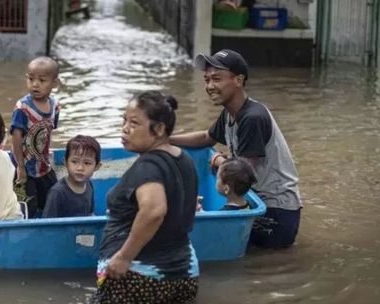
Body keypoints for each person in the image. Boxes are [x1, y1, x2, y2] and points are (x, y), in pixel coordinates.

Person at [170, 49, 302, 249]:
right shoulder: (231, 113)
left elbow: (241, 175)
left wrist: (219, 161)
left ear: (238, 80)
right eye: (206, 80)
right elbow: (207, 138)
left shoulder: (252, 118)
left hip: (275, 211)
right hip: (256, 202)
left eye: (216, 79)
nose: (210, 86)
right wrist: (166, 139)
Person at [94, 91, 199, 304]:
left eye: (134, 123)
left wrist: (124, 257)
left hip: (140, 276)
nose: (124, 128)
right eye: (124, 120)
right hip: (185, 272)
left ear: (159, 129)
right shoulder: (184, 159)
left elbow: (154, 211)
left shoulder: (148, 166)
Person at [10, 56, 60, 218]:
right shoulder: (23, 108)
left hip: (43, 165)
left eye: (42, 80)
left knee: (53, 198)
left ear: (55, 83)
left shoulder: (54, 106)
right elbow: (16, 137)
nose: (35, 84)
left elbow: (48, 132)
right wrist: (21, 167)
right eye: (31, 79)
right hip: (25, 167)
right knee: (27, 206)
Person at [42, 135, 101, 218]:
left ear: (97, 167)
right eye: (74, 162)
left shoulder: (89, 184)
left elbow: (90, 214)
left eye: (87, 163)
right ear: (65, 163)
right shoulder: (57, 192)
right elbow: (47, 224)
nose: (80, 168)